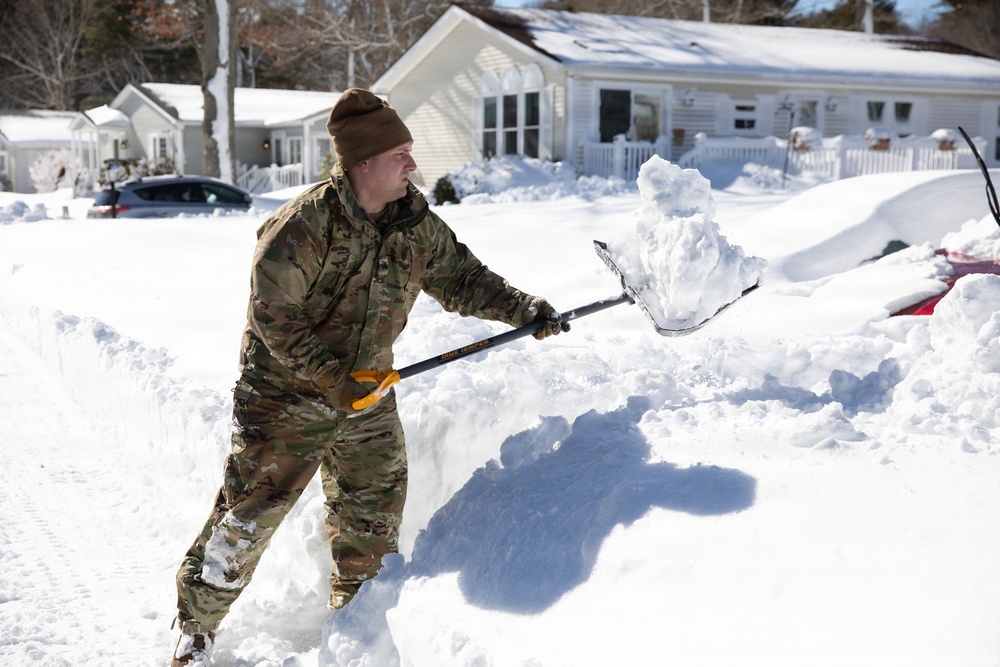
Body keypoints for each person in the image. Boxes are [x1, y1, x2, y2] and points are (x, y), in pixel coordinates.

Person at [170, 88, 567, 666]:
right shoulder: (303, 226)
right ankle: (196, 629)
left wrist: (524, 310)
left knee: (372, 520)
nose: (412, 164)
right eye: (400, 154)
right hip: (285, 397)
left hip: (367, 392)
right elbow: (274, 316)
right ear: (363, 162)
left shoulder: (415, 222)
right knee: (249, 518)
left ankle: (358, 633)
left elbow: (462, 278)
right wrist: (332, 380)